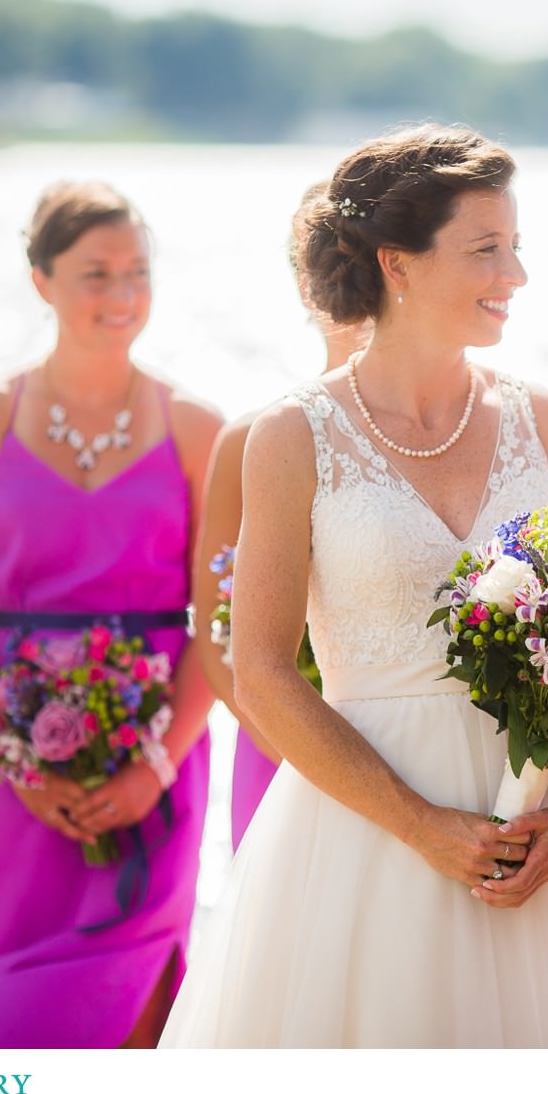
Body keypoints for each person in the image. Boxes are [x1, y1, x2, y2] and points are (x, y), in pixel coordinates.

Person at [159, 125, 548, 1047]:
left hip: (542, 840)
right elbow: (264, 671)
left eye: (515, 245)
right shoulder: (289, 436)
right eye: (486, 249)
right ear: (397, 262)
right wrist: (422, 825)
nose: (514, 273)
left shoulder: (539, 418)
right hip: (368, 839)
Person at [0, 182, 222, 1048]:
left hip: (159, 757)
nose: (124, 294)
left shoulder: (198, 427)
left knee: (134, 998)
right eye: (96, 273)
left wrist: (154, 767)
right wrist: (16, 756)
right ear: (40, 279)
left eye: (138, 272)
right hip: (6, 762)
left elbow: (220, 623)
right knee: (10, 1008)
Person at [192, 181, 371, 851]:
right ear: (305, 282)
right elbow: (217, 638)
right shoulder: (251, 441)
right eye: (333, 265)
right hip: (279, 757)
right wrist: (301, 751)